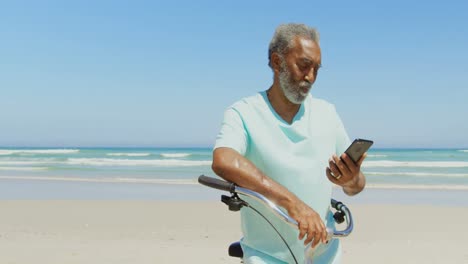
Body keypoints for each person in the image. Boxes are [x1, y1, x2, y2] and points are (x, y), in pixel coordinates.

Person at [211, 23, 367, 264]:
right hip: (265, 256)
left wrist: (351, 179)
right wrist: (292, 204)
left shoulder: (327, 113)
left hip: (326, 254)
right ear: (277, 62)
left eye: (316, 69)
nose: (311, 77)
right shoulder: (243, 112)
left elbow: (356, 186)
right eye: (304, 65)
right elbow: (223, 159)